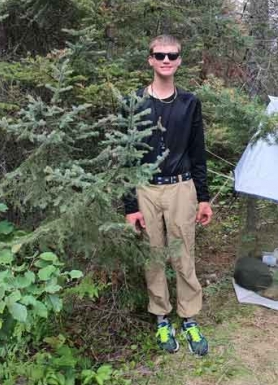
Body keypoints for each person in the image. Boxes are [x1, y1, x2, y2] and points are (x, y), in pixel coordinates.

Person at [123, 34, 213, 356]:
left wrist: (203, 197)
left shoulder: (190, 103)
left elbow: (197, 152)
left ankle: (189, 318)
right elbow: (126, 157)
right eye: (159, 55)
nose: (165, 60)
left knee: (183, 254)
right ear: (150, 59)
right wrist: (130, 205)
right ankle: (162, 317)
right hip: (145, 188)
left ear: (179, 60)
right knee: (153, 255)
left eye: (171, 55)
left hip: (181, 188)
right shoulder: (133, 102)